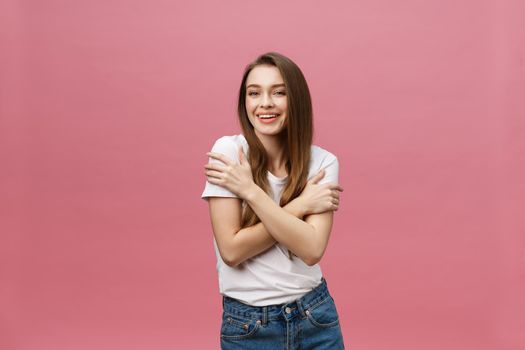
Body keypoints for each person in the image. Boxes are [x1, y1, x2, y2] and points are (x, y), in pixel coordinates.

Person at [201, 52, 346, 349]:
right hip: (249, 326)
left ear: (296, 100)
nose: (265, 103)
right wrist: (301, 206)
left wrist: (250, 192)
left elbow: (311, 249)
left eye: (278, 92)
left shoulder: (322, 162)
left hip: (315, 315)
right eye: (254, 93)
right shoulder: (229, 152)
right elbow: (231, 249)